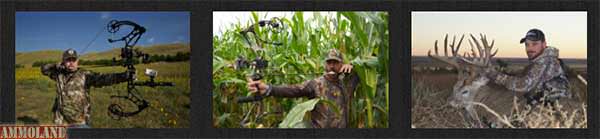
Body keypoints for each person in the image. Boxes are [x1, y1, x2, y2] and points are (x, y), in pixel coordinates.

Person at [247, 48, 360, 128]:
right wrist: (268, 88)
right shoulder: (316, 84)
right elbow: (293, 90)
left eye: (335, 62)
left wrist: (353, 65)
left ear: (342, 64)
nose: (332, 66)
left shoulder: (348, 82)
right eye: (329, 62)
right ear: (325, 65)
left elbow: (369, 63)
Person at [41, 48, 133, 127]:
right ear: (63, 62)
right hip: (60, 120)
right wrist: (55, 65)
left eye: (74, 60)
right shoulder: (58, 73)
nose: (71, 63)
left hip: (80, 121)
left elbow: (103, 78)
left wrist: (124, 76)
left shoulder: (85, 75)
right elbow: (44, 69)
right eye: (68, 60)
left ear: (78, 61)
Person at [484, 28, 570, 105]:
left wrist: (494, 75)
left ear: (544, 44)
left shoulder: (545, 61)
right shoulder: (541, 60)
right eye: (527, 45)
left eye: (534, 44)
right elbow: (530, 75)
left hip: (554, 107)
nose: (530, 48)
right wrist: (508, 72)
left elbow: (523, 85)